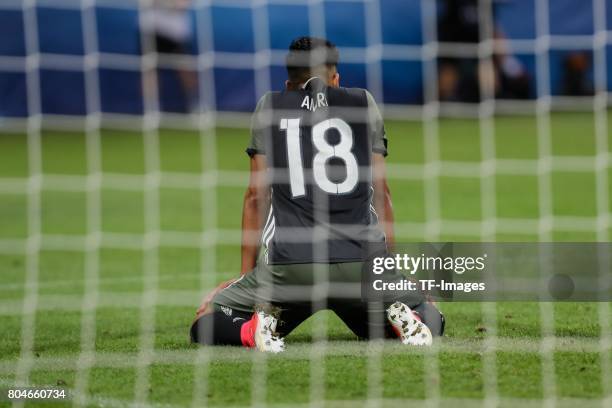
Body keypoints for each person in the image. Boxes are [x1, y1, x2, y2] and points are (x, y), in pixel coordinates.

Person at [190, 37, 445, 352]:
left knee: (208, 320)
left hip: (291, 268)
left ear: (288, 84)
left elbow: (256, 196)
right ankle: (399, 317)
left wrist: (247, 278)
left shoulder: (270, 106)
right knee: (433, 317)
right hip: (360, 265)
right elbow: (383, 193)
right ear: (336, 79)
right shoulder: (363, 102)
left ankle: (253, 330)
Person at [141, 0, 199, 112]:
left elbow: (182, 5)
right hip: (150, 30)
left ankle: (195, 104)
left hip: (175, 34)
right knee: (149, 71)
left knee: (186, 69)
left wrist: (166, 4)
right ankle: (151, 108)